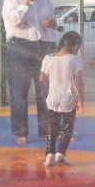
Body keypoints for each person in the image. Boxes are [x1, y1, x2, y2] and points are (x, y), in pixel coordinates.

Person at [2, 0, 58, 144]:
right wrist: (25, 3)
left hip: (43, 46)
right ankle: (21, 131)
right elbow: (14, 21)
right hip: (20, 47)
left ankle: (47, 129)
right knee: (19, 91)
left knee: (46, 90)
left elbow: (53, 22)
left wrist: (52, 23)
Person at [38, 32, 84, 166]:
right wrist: (81, 100)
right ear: (75, 46)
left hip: (52, 98)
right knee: (67, 127)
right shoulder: (76, 60)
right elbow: (78, 82)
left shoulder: (48, 58)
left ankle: (49, 155)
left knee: (51, 127)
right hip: (69, 99)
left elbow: (42, 78)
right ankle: (60, 153)